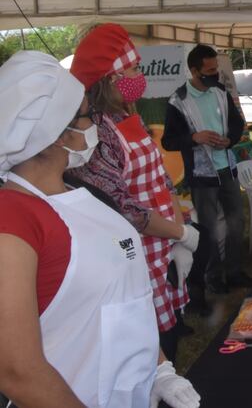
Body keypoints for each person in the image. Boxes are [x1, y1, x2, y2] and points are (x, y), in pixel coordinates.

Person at [0, 51, 200, 408]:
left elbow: (124, 302)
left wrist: (159, 369)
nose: (95, 124)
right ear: (55, 133)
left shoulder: (85, 193)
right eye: (86, 116)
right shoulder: (12, 221)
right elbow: (18, 371)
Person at [67, 24, 200, 361]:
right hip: (135, 255)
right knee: (151, 348)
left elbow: (161, 177)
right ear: (112, 78)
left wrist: (177, 231)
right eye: (135, 69)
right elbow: (121, 208)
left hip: (163, 244)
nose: (141, 75)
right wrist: (180, 232)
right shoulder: (96, 132)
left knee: (171, 337)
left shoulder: (129, 116)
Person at [162, 44, 252, 293]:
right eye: (209, 69)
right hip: (202, 175)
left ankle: (234, 272)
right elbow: (168, 141)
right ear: (194, 70)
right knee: (209, 229)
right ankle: (213, 277)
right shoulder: (178, 101)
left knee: (236, 221)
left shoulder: (220, 92)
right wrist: (195, 138)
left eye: (216, 69)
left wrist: (230, 139)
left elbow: (236, 122)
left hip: (228, 168)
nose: (215, 74)